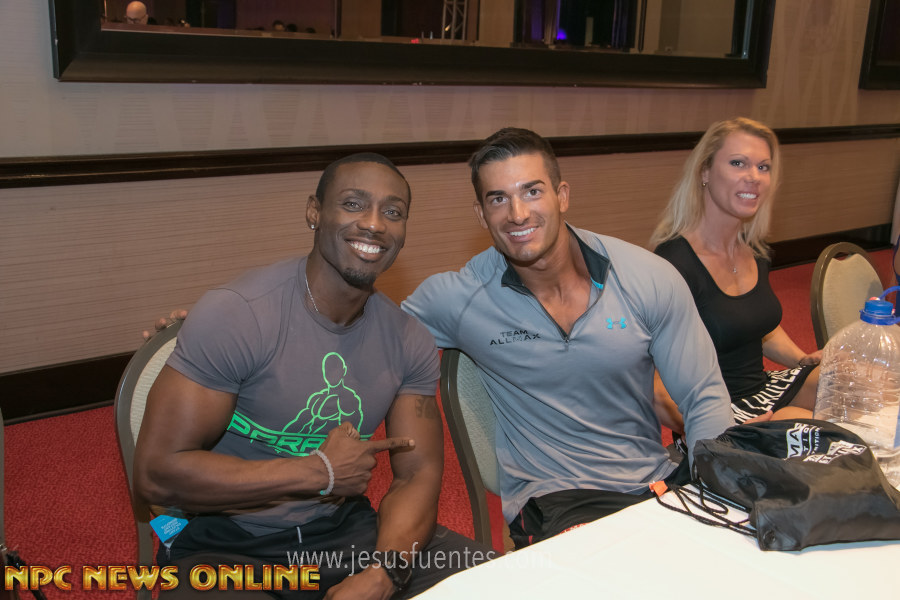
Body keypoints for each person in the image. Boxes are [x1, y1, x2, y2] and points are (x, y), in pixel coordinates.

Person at [134, 153, 492, 599]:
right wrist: (317, 472)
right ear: (314, 212)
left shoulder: (408, 339)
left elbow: (416, 475)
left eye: (393, 212)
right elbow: (157, 475)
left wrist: (385, 573)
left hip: (345, 533)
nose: (374, 224)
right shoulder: (238, 315)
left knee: (506, 584)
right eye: (354, 204)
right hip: (227, 544)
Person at [400, 128, 736, 548]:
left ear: (562, 196)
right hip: (558, 501)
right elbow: (374, 338)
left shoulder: (645, 277)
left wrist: (711, 492)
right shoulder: (460, 297)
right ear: (481, 215)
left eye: (532, 191)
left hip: (656, 480)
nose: (517, 214)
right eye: (498, 199)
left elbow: (703, 395)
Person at [650, 117, 820, 426]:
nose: (754, 177)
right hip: (718, 415)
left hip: (764, 392)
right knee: (802, 422)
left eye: (763, 167)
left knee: (843, 381)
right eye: (738, 163)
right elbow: (653, 384)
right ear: (705, 171)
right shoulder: (674, 262)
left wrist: (802, 359)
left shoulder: (754, 251)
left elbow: (754, 325)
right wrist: (717, 432)